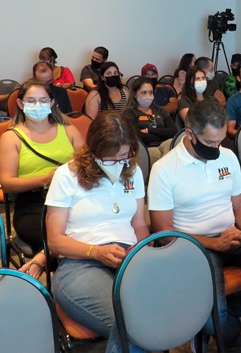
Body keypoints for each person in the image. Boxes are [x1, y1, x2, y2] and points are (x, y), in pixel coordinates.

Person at [148, 100, 241, 352]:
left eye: (220, 141)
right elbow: (164, 233)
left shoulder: (227, 156)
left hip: (231, 236)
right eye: (209, 142)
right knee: (213, 319)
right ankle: (228, 334)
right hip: (194, 247)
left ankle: (223, 317)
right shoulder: (165, 169)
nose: (217, 148)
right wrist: (214, 243)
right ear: (190, 134)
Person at [46, 111, 149, 353]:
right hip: (81, 263)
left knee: (158, 313)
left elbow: (139, 225)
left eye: (124, 156)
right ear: (93, 150)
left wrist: (140, 252)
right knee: (132, 326)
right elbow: (55, 241)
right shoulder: (67, 175)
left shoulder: (133, 171)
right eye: (110, 159)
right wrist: (96, 252)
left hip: (128, 258)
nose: (119, 163)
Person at [0, 79, 84, 253]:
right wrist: (46, 179)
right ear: (20, 104)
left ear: (52, 103)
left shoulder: (69, 130)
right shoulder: (11, 138)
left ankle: (45, 259)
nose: (38, 105)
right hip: (34, 202)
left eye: (43, 100)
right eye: (31, 100)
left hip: (72, 196)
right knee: (58, 234)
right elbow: (7, 183)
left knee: (88, 228)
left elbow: (88, 165)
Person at [124, 78, 177, 163]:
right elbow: (138, 136)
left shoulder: (161, 110)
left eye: (150, 92)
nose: (148, 96)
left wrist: (149, 130)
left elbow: (173, 131)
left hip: (165, 144)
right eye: (143, 93)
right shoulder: (129, 113)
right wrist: (163, 134)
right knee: (161, 156)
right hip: (146, 147)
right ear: (134, 94)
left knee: (170, 144)